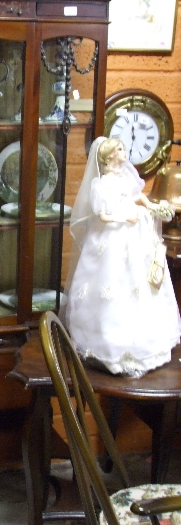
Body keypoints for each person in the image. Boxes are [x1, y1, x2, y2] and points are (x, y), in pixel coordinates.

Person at [61, 136, 181, 377]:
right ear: (109, 155)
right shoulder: (100, 184)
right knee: (111, 282)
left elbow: (139, 196)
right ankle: (106, 341)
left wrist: (153, 207)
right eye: (120, 149)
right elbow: (103, 216)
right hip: (112, 238)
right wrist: (124, 218)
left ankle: (143, 341)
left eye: (124, 148)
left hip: (136, 236)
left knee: (140, 282)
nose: (124, 153)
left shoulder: (126, 177)